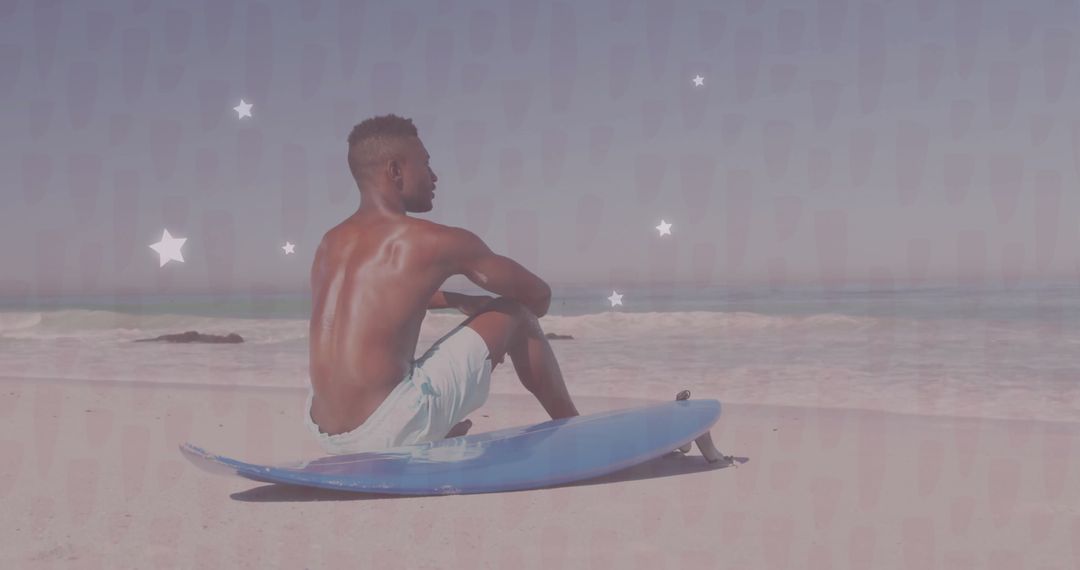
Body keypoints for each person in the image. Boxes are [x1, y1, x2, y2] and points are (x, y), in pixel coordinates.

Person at [305, 114, 580, 454]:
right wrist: (497, 313)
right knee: (516, 314)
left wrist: (455, 299)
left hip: (325, 432)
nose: (434, 176)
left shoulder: (329, 243)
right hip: (388, 430)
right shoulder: (435, 241)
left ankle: (429, 429)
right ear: (395, 171)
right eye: (426, 163)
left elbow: (374, 301)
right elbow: (539, 297)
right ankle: (574, 431)